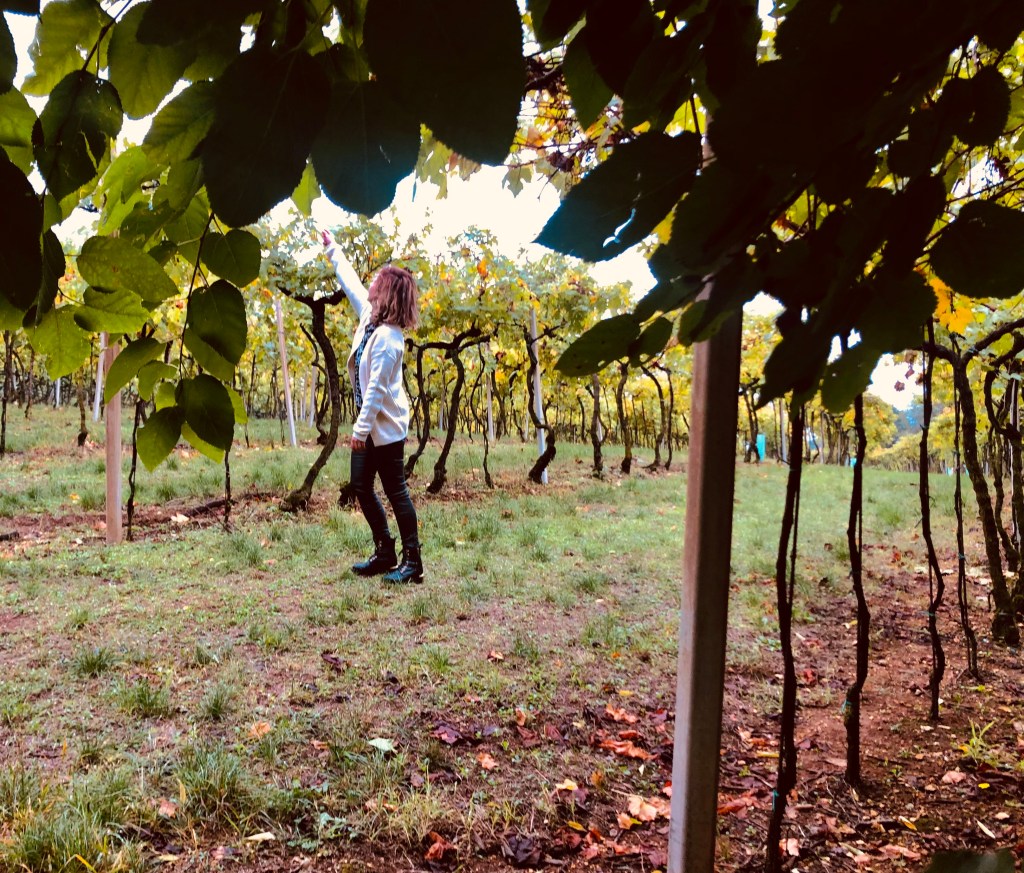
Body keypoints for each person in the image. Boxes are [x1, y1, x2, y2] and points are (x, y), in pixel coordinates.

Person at [321, 230, 423, 584]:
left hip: (386, 429)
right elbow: (351, 285)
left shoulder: (389, 340)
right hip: (370, 426)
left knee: (395, 491)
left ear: (388, 294)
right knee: (361, 486)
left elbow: (376, 391)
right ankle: (385, 552)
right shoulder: (370, 320)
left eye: (378, 282)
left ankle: (413, 562)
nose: (372, 285)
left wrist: (360, 431)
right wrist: (333, 249)